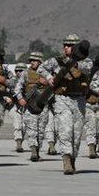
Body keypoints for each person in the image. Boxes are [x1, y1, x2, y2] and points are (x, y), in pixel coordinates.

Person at [39, 38, 94, 173]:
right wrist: (49, 77)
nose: (66, 48)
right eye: (65, 45)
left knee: (76, 133)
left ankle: (72, 157)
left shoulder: (85, 61)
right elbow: (41, 68)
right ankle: (66, 159)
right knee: (65, 130)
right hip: (62, 99)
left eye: (70, 45)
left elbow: (88, 70)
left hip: (79, 100)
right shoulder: (57, 61)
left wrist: (75, 63)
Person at [13, 52, 46, 163]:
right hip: (30, 104)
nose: (32, 62)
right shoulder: (26, 73)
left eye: (35, 60)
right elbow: (18, 88)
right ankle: (33, 152)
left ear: (40, 62)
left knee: (40, 131)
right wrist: (20, 98)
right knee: (31, 130)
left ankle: (37, 150)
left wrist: (45, 82)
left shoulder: (47, 74)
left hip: (43, 105)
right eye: (31, 60)